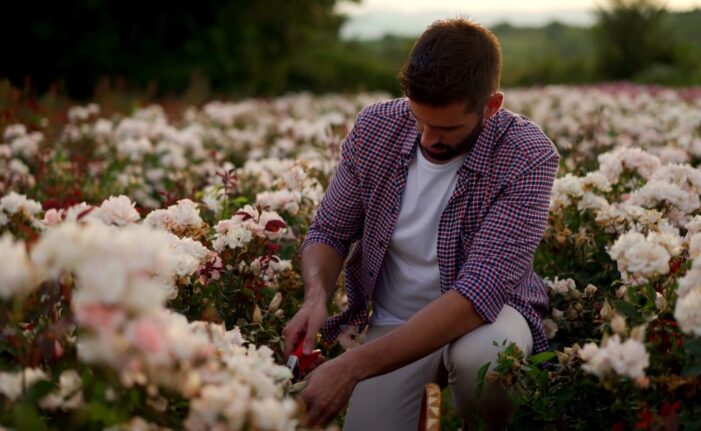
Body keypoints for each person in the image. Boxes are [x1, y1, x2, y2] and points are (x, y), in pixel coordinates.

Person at [282, 17, 559, 431]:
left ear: (492, 105)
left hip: (490, 316)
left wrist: (352, 366)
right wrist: (315, 296)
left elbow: (476, 295)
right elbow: (330, 231)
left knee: (487, 361)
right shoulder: (376, 127)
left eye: (447, 127)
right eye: (419, 119)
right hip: (395, 321)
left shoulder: (527, 154)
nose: (428, 139)